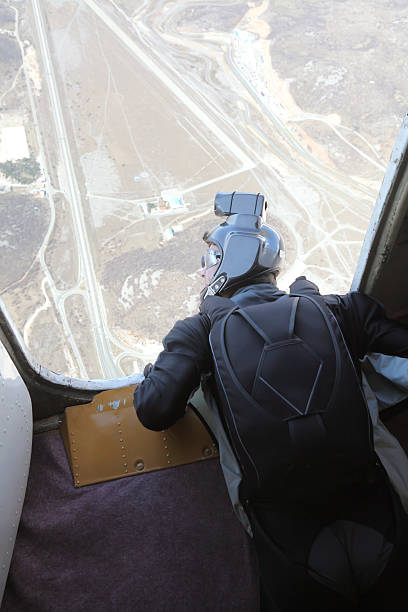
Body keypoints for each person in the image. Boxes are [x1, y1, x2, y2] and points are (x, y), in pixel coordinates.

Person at [133, 192, 408, 611]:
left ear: (232, 261)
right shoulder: (339, 310)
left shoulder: (199, 332)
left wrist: (155, 370)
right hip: (373, 501)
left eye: (209, 259)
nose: (203, 271)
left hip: (284, 531)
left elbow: (154, 410)